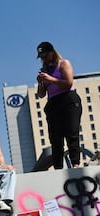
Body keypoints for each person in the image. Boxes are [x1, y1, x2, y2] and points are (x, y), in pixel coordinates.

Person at [36, 41, 82, 169]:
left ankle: (75, 163)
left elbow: (68, 83)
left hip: (68, 100)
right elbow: (41, 95)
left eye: (46, 55)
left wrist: (51, 79)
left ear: (52, 52)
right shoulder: (44, 70)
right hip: (53, 103)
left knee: (71, 132)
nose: (44, 59)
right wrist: (41, 83)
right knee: (56, 138)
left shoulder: (64, 64)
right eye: (42, 57)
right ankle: (58, 167)